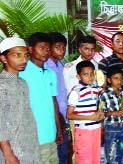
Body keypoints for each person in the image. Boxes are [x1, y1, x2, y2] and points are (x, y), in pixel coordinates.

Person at [19, 32, 62, 163]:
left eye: (48, 49)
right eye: (42, 48)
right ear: (31, 49)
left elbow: (54, 102)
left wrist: (59, 128)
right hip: (33, 135)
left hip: (51, 133)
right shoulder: (22, 73)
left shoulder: (50, 74)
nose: (46, 52)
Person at [0, 37, 41, 163]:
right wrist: (8, 154)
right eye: (17, 55)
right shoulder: (1, 86)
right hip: (13, 151)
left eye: (26, 55)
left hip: (30, 147)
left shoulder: (22, 83)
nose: (24, 60)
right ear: (4, 58)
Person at [67, 61, 103, 164]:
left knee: (95, 160)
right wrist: (90, 118)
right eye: (85, 74)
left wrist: (100, 114)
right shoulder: (76, 92)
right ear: (78, 76)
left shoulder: (96, 89)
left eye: (92, 74)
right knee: (84, 160)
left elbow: (96, 109)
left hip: (96, 130)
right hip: (83, 132)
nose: (90, 77)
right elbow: (69, 115)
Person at [45, 32, 69, 164]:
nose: (62, 50)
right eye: (57, 47)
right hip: (52, 119)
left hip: (63, 119)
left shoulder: (62, 66)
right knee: (52, 156)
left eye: (64, 47)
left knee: (63, 155)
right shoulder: (45, 67)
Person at [99, 66, 123, 163]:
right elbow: (100, 113)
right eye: (116, 78)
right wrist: (114, 113)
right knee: (111, 156)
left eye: (121, 78)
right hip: (111, 128)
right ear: (109, 80)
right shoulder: (104, 94)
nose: (119, 81)